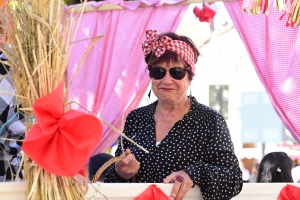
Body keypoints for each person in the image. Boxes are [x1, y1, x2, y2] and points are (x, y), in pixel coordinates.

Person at [105, 30, 243, 200]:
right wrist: (121, 172)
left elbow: (233, 179)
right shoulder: (136, 119)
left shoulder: (209, 121)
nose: (167, 80)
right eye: (158, 72)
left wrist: (193, 174)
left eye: (176, 72)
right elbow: (111, 181)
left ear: (189, 76)